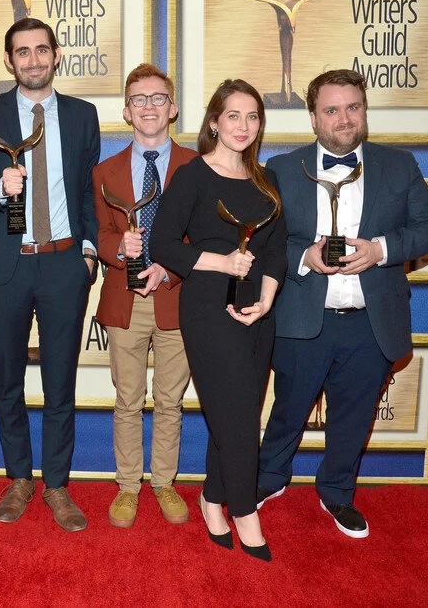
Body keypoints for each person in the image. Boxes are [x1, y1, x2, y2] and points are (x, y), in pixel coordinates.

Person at [257, 69, 428, 538]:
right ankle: (268, 479)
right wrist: (304, 256)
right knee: (287, 410)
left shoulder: (398, 165)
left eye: (353, 107)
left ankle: (338, 492)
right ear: (313, 118)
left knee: (354, 418)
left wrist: (381, 249)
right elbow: (263, 242)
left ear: (364, 110)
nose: (344, 118)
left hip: (370, 322)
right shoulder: (282, 168)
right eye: (332, 110)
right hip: (302, 318)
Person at [0, 18, 100, 532]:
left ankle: (57, 485)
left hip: (64, 263)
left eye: (42, 50)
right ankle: (19, 478)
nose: (33, 60)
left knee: (60, 383)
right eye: (23, 52)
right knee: (8, 381)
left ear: (56, 54)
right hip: (7, 266)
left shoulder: (83, 115)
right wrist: (0, 187)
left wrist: (89, 254)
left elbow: (87, 190)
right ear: (9, 60)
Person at [150, 79, 286, 561]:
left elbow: (276, 250)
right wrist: (222, 262)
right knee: (239, 418)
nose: (243, 126)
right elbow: (162, 245)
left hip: (258, 310)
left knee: (240, 410)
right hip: (208, 307)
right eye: (233, 115)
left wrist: (266, 300)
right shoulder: (193, 175)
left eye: (252, 117)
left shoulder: (266, 180)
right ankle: (244, 510)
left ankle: (211, 497)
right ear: (214, 121)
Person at [92, 63, 195, 528]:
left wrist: (168, 268)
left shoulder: (197, 166)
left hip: (178, 296)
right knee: (128, 399)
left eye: (158, 98)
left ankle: (164, 482)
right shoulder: (105, 171)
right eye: (138, 99)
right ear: (126, 111)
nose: (148, 106)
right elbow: (98, 232)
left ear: (172, 108)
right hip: (125, 297)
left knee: (170, 400)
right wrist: (119, 248)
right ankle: (128, 486)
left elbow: (205, 236)